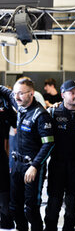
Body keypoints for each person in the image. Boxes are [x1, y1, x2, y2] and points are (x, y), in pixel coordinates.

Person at [0, 78, 55, 231]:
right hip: (16, 165)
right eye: (15, 93)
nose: (16, 97)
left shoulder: (41, 115)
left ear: (32, 94)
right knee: (14, 207)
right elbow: (6, 91)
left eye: (21, 94)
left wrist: (35, 166)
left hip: (32, 167)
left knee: (30, 210)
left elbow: (49, 143)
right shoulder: (19, 101)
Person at [44, 80, 75, 231]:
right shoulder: (53, 112)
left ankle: (69, 228)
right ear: (63, 95)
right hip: (57, 163)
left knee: (72, 202)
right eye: (72, 93)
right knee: (54, 202)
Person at [0, 94, 16, 229]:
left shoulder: (2, 100)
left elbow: (16, 121)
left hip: (0, 157)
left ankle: (6, 220)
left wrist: (8, 105)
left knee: (4, 189)